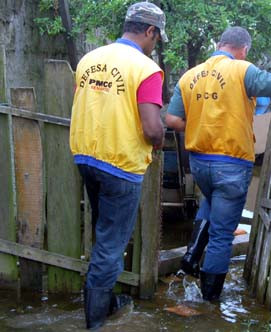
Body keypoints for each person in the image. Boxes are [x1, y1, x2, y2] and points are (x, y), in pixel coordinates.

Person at [166, 26, 271, 301]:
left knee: (210, 202)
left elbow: (171, 120)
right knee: (222, 235)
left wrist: (200, 124)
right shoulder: (243, 70)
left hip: (200, 164)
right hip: (231, 163)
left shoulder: (190, 76)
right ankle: (209, 301)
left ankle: (190, 259)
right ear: (244, 49)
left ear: (219, 44)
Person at [69, 2, 166, 329]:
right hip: (120, 165)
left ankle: (107, 302)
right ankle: (95, 323)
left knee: (103, 233)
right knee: (111, 244)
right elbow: (152, 128)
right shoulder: (145, 68)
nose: (155, 45)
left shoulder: (89, 59)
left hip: (86, 158)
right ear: (149, 31)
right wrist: (161, 139)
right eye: (156, 38)